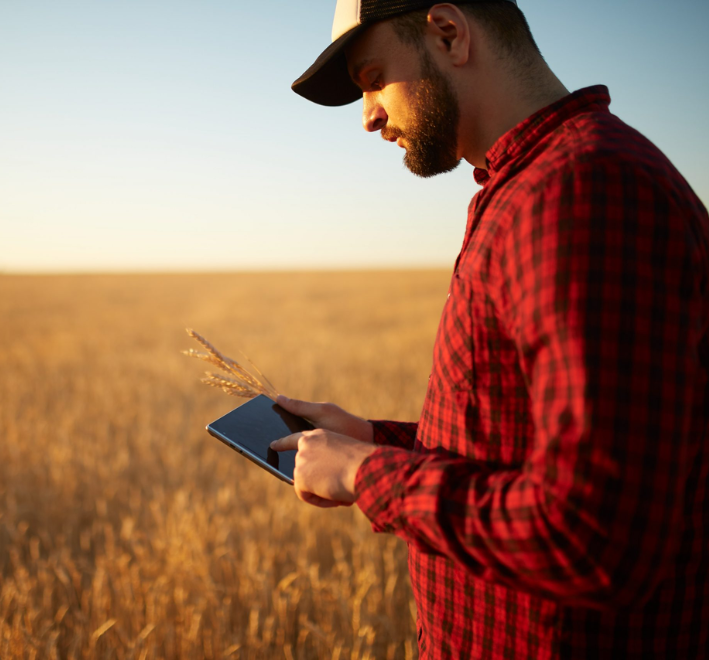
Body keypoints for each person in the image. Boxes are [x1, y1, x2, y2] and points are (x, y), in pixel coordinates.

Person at [268, 0, 709, 657]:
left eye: (372, 77)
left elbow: (593, 538)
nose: (370, 117)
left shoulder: (581, 189)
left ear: (448, 33)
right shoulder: (534, 185)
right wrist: (374, 439)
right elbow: (528, 455)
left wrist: (369, 476)